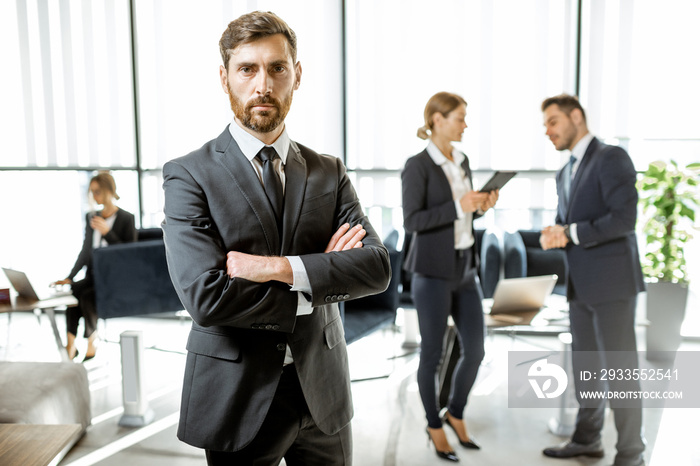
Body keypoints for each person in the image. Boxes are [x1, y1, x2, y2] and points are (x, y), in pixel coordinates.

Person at [161, 11, 391, 466]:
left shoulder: (329, 171)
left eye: (277, 68)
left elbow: (377, 267)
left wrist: (274, 268)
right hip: (239, 395)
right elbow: (207, 298)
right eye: (247, 68)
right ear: (225, 77)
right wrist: (317, 278)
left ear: (296, 75)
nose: (262, 84)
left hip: (323, 392)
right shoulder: (189, 174)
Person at [539, 94, 646, 466]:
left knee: (620, 370)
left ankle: (631, 453)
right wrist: (555, 233)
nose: (548, 131)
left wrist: (571, 234)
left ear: (577, 117)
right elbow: (568, 222)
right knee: (587, 367)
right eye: (545, 125)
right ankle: (587, 440)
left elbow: (624, 219)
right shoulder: (564, 171)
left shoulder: (611, 157)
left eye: (553, 121)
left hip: (613, 284)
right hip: (580, 285)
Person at [401, 92, 498, 462]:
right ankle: (434, 424)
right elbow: (413, 221)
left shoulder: (463, 160)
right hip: (431, 272)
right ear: (437, 120)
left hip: (465, 268)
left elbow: (465, 218)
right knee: (433, 353)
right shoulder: (417, 166)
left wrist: (481, 207)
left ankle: (455, 413)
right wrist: (460, 205)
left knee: (475, 350)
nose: (465, 124)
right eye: (459, 117)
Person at [53, 171, 137, 361]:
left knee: (87, 295)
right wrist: (70, 276)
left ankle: (92, 339)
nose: (95, 196)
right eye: (92, 192)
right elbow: (85, 250)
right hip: (94, 275)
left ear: (110, 190)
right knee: (74, 291)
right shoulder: (91, 216)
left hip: (115, 278)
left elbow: (130, 254)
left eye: (98, 191)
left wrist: (107, 233)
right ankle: (71, 343)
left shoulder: (126, 218)